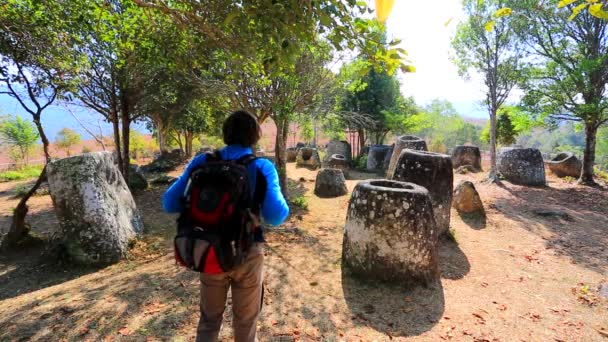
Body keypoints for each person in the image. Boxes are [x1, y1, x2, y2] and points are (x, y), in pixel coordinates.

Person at [162, 110, 289, 342]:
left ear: (226, 134)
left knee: (209, 320)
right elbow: (276, 215)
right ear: (255, 136)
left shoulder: (203, 162)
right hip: (247, 253)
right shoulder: (262, 166)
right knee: (246, 321)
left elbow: (169, 203)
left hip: (208, 251)